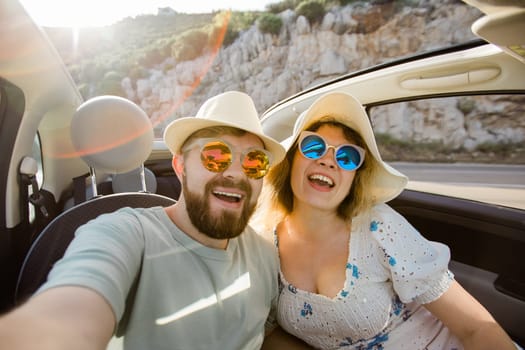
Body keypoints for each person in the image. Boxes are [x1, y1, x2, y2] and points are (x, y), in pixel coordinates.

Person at [0, 91, 286, 350]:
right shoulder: (121, 233)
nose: (236, 173)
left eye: (254, 162)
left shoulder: (266, 254)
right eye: (216, 155)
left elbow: (265, 335)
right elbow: (70, 314)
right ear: (181, 166)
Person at [258, 91, 518, 350]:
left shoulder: (378, 227)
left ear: (354, 179)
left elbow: (476, 328)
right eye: (313, 147)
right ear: (291, 159)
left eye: (347, 157)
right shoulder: (265, 244)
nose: (328, 161)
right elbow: (270, 334)